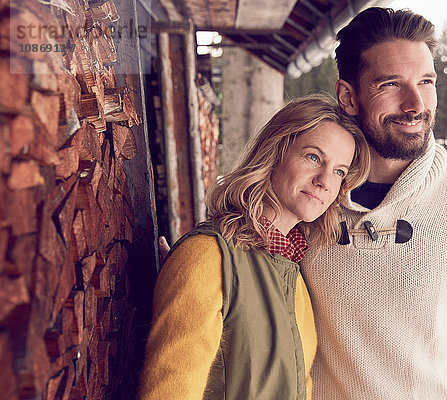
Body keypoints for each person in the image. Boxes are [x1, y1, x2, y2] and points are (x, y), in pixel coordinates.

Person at [298, 7, 447, 399]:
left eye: (426, 82)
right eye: (390, 84)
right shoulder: (310, 197)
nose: (415, 104)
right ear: (348, 96)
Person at [138, 95, 370, 400]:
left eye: (339, 171)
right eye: (314, 157)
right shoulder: (207, 256)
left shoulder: (295, 276)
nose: (325, 181)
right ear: (275, 153)